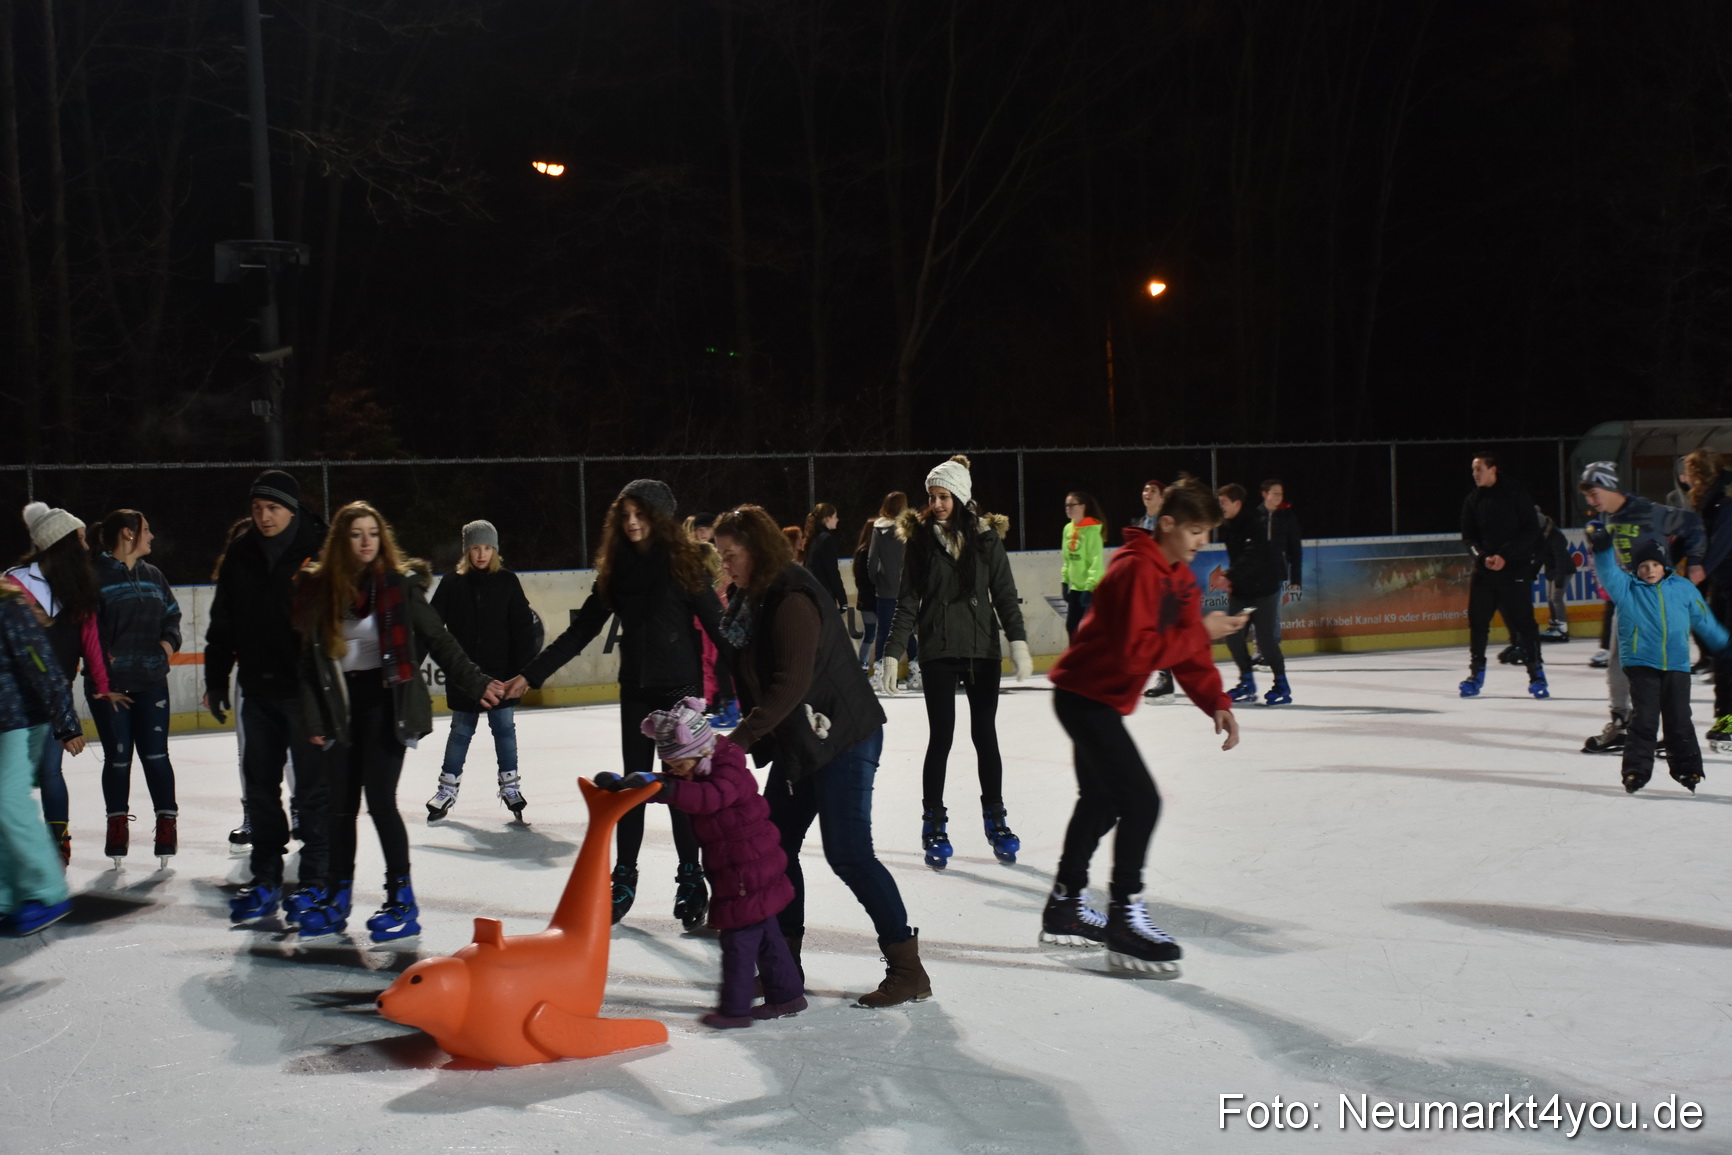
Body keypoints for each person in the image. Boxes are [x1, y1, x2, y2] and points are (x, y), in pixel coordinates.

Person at [711, 504, 927, 1007]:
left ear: (756, 549)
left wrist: (739, 741)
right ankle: (784, 968)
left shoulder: (791, 597)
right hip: (802, 740)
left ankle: (908, 969)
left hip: (844, 734)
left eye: (731, 554)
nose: (725, 564)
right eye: (720, 555)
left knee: (848, 853)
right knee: (775, 848)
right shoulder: (750, 600)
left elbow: (791, 683)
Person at [499, 480, 726, 930]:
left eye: (640, 514)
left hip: (680, 693)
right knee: (633, 787)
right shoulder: (619, 570)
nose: (632, 523)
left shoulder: (685, 564)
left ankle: (691, 877)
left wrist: (748, 688)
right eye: (625, 516)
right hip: (637, 690)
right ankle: (624, 878)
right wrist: (531, 675)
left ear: (659, 517)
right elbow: (581, 630)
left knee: (681, 791)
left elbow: (720, 630)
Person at [1042, 477, 1245, 976]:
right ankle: (1124, 918)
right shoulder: (1136, 569)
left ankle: (1066, 905)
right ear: (1167, 523)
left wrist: (1214, 700)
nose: (1201, 542)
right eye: (1195, 531)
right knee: (1141, 801)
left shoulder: (1177, 577)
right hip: (1084, 697)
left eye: (1207, 533)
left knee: (1102, 800)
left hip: (1097, 698)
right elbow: (1138, 654)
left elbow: (1186, 649)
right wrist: (1202, 632)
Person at [290, 501, 503, 941]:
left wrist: (476, 681)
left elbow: (438, 639)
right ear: (342, 541)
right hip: (340, 708)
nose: (365, 542)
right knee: (339, 807)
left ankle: (401, 902)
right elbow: (308, 662)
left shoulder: (398, 586)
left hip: (385, 707)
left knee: (380, 802)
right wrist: (312, 717)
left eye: (372, 533)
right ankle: (337, 898)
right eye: (356, 534)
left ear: (381, 538)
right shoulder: (321, 589)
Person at [596, 698, 805, 1028]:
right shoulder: (700, 763)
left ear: (701, 750)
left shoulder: (727, 771)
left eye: (679, 763)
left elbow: (708, 798)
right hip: (746, 866)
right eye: (670, 764)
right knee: (767, 936)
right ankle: (787, 995)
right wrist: (632, 783)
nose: (676, 770)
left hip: (746, 871)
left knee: (737, 941)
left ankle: (734, 1011)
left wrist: (667, 788)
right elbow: (673, 781)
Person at [882, 455, 1033, 869]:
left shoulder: (986, 538)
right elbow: (907, 601)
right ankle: (933, 823)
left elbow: (1005, 593)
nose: (936, 504)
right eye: (932, 496)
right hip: (939, 649)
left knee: (985, 736)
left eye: (944, 496)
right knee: (942, 739)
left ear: (961, 497)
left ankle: (996, 820)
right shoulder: (921, 541)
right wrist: (892, 651)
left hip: (982, 650)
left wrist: (1018, 640)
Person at [206, 471, 334, 922]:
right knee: (260, 787)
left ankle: (316, 879)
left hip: (305, 691)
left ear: (292, 510)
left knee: (313, 790)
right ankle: (265, 876)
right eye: (257, 508)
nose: (264, 516)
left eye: (273, 508)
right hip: (257, 689)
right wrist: (216, 679)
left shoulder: (319, 550)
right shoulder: (241, 554)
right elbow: (222, 622)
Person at [6, 502, 112, 866]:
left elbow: (91, 640)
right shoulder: (15, 583)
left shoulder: (78, 587)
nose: (86, 546)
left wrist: (101, 683)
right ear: (61, 543)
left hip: (56, 695)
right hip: (16, 700)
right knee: (13, 780)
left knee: (51, 770)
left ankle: (58, 842)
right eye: (80, 538)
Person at [1578, 461, 1706, 754]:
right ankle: (1622, 725)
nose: (1590, 500)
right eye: (1587, 495)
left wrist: (1695, 562)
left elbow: (1693, 525)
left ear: (1610, 486)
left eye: (1594, 492)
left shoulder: (1648, 511)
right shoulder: (1605, 517)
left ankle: (1674, 736)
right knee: (1618, 663)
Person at [1587, 529, 1728, 793]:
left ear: (1664, 566)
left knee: (1679, 718)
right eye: (1643, 566)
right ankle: (1636, 771)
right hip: (1642, 663)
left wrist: (1724, 644)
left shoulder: (1683, 588)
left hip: (1677, 664)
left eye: (1655, 564)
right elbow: (1607, 571)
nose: (1650, 570)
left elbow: (1703, 619)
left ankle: (1688, 769)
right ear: (1636, 569)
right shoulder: (1626, 588)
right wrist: (1603, 548)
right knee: (1645, 719)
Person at [426, 520, 539, 822]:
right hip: (465, 678)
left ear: (495, 550)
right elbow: (431, 627)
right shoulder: (452, 583)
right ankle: (446, 789)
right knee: (461, 731)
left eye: (487, 548)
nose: (481, 554)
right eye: (476, 548)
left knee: (504, 729)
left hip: (502, 675)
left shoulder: (507, 582)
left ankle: (510, 786)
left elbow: (523, 630)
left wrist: (524, 671)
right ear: (467, 551)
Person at [89, 509, 181, 869]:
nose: (151, 536)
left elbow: (172, 616)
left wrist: (165, 648)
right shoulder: (94, 577)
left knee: (156, 757)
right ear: (128, 534)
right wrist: (103, 670)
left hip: (152, 683)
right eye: (146, 529)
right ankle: (117, 826)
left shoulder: (154, 576)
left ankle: (167, 824)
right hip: (110, 689)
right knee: (118, 758)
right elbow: (87, 632)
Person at [0, 577, 83, 935]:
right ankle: (6, 895)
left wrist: (66, 722)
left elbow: (44, 665)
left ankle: (48, 891)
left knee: (8, 800)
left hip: (19, 720)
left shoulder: (8, 606)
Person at [1457, 455, 1547, 700]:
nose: (1475, 474)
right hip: (1485, 572)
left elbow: (1530, 531)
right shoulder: (1472, 500)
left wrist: (1506, 556)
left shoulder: (1515, 493)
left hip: (1515, 570)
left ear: (1493, 469)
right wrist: (1481, 557)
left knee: (1524, 623)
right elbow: (1468, 538)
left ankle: (1537, 676)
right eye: (1473, 469)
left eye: (1479, 469)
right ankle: (1476, 675)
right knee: (1478, 623)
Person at [1213, 483, 1290, 705]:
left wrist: (1230, 576)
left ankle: (1281, 684)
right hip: (1243, 592)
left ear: (1237, 503)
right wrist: (1234, 580)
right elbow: (1238, 558)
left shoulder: (1255, 522)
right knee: (1233, 636)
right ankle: (1247, 682)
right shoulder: (1228, 525)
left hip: (1263, 592)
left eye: (1223, 502)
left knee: (1265, 641)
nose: (1220, 506)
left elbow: (1253, 555)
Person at [1684, 449, 1732, 751]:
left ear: (1699, 474)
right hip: (1723, 586)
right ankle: (1725, 717)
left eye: (1688, 472)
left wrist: (1700, 569)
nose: (1684, 477)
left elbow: (1722, 540)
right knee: (1722, 654)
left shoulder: (1725, 500)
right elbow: (1692, 540)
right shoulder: (1704, 501)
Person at [867, 491, 917, 682]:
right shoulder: (910, 527)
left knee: (884, 631)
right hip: (906, 588)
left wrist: (877, 580)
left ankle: (880, 671)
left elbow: (872, 560)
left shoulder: (878, 529)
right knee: (906, 629)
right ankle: (917, 668)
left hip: (885, 589)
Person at [1135, 480, 1175, 701]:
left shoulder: (1166, 522)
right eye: (1145, 489)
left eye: (1153, 490)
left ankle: (1165, 680)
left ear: (1162, 497)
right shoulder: (1143, 522)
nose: (1147, 493)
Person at [1060, 492, 1107, 642]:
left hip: (1091, 588)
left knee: (1089, 629)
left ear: (1082, 507)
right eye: (1066, 505)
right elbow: (1067, 558)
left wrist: (1089, 588)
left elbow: (1096, 561)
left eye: (1072, 505)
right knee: (1071, 626)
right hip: (1076, 587)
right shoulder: (1068, 529)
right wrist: (1065, 581)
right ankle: (1076, 655)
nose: (1068, 508)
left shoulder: (1092, 531)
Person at [801, 503, 849, 614]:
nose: (837, 520)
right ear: (827, 518)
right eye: (835, 516)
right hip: (825, 595)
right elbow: (832, 572)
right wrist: (842, 599)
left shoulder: (812, 538)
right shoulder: (826, 539)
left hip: (813, 592)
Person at [851, 518, 878, 669]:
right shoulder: (865, 552)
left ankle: (867, 666)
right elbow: (862, 579)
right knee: (870, 635)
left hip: (871, 601)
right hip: (870, 602)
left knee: (874, 635)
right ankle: (863, 666)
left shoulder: (868, 551)